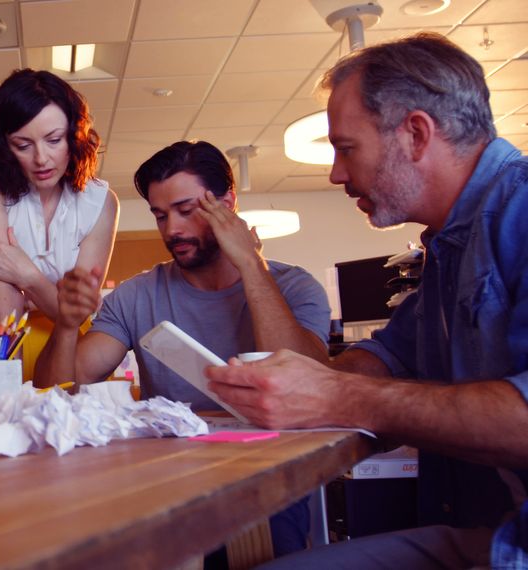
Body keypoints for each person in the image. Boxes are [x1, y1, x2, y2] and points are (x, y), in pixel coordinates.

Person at [204, 33, 528, 568]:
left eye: (345, 147)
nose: (335, 173)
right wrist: (303, 384)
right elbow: (380, 361)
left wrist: (337, 396)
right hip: (487, 532)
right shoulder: (448, 246)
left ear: (416, 134)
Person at [35, 140, 331, 557]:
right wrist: (66, 325)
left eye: (187, 210)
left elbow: (309, 381)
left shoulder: (295, 288)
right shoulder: (136, 296)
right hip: (169, 486)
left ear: (227, 205)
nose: (171, 229)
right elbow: (57, 392)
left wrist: (250, 265)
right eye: (160, 215)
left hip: (266, 480)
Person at [0, 68, 119, 380]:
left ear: (74, 136)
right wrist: (3, 386)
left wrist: (27, 275)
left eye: (54, 140)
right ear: (5, 146)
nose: (41, 158)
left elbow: (77, 311)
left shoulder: (102, 201)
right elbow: (6, 295)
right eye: (23, 144)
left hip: (65, 340)